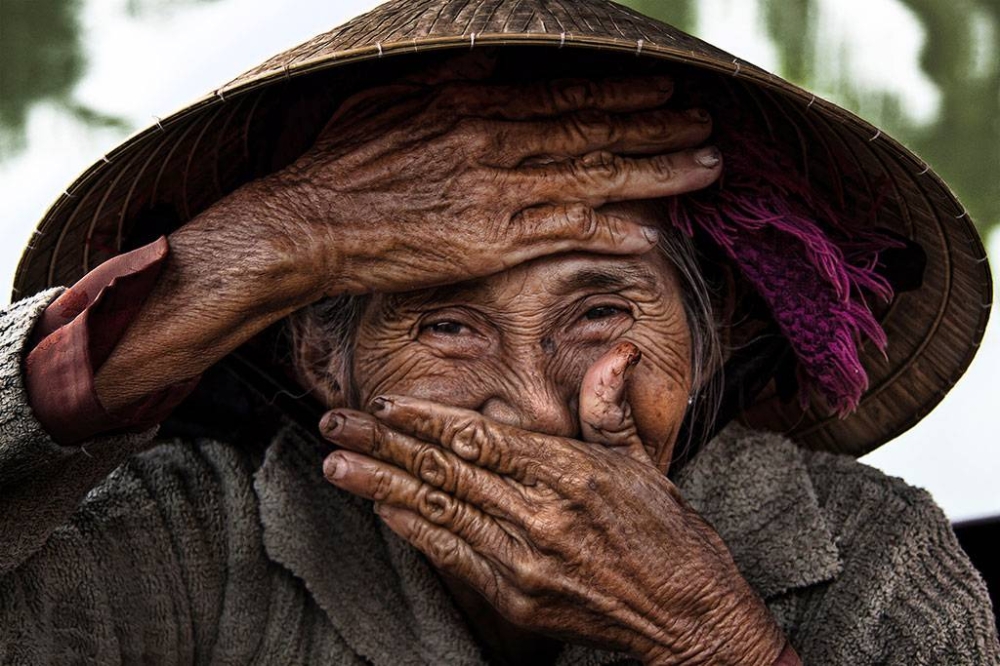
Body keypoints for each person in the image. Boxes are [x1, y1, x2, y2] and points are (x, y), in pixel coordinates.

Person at [1, 1, 997, 664]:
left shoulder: (873, 564)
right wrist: (268, 243)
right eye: (444, 323)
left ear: (709, 335)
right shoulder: (185, 543)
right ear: (323, 362)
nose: (529, 403)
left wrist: (704, 638)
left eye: (600, 313)